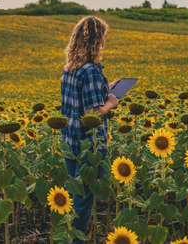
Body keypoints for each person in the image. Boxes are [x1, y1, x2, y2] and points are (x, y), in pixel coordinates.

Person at [60, 15, 119, 243]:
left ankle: (67, 236)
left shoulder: (71, 69)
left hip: (70, 140)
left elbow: (78, 99)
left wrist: (106, 86)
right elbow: (92, 115)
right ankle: (77, 240)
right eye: (103, 38)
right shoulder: (91, 71)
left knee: (74, 193)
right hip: (88, 145)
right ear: (96, 41)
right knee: (82, 200)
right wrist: (110, 103)